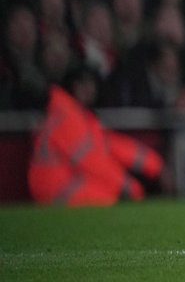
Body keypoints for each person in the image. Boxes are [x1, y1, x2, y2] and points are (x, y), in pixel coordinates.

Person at [28, 66, 166, 206]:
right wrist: (129, 186)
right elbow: (91, 160)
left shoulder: (78, 115)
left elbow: (112, 145)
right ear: (72, 86)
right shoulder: (66, 116)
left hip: (63, 182)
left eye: (91, 84)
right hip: (57, 187)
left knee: (116, 198)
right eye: (83, 84)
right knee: (112, 202)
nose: (89, 89)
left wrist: (156, 165)